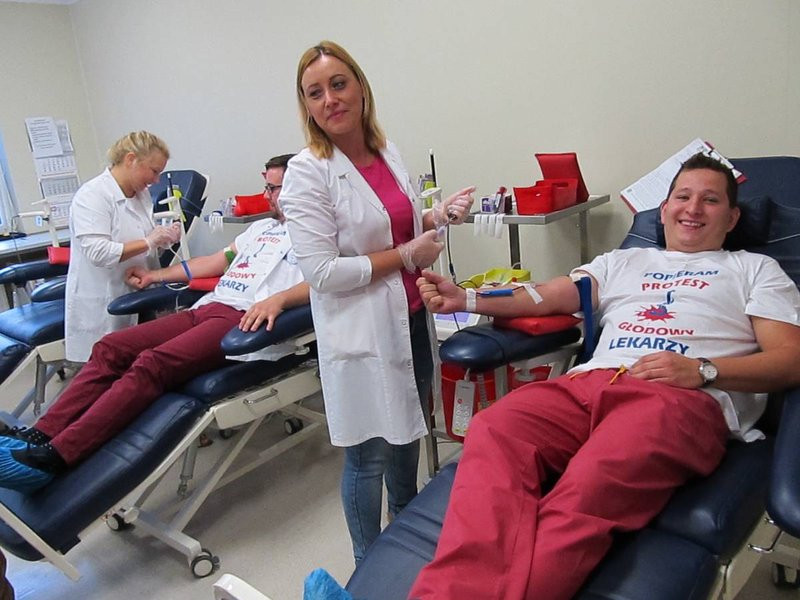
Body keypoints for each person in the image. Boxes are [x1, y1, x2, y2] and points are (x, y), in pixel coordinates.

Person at [404, 153, 800, 599]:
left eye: (710, 200)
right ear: (663, 209)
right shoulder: (623, 262)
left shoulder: (754, 269)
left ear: (731, 218)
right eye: (682, 196)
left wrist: (703, 371)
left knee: (585, 490)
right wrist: (469, 300)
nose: (693, 208)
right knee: (495, 428)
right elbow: (544, 296)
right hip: (586, 385)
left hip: (675, 398)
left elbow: (790, 359)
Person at [0, 154, 309, 494]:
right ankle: (43, 431)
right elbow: (217, 261)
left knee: (151, 364)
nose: (266, 196)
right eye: (266, 186)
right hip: (208, 308)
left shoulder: (319, 234)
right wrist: (155, 275)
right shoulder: (260, 229)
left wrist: (279, 299)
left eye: (273, 188)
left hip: (242, 320)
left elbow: (330, 278)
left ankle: (58, 456)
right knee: (111, 347)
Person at [279, 40, 475, 563]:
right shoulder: (307, 171)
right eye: (315, 93)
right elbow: (321, 272)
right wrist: (407, 256)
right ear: (307, 107)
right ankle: (369, 565)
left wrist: (438, 218)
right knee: (367, 455)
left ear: (361, 88)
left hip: (408, 318)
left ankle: (406, 548)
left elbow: (398, 225)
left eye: (338, 85)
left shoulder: (386, 152)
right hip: (360, 329)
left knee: (408, 430)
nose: (330, 100)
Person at [65, 130, 182, 363]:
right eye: (154, 171)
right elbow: (98, 252)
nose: (156, 180)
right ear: (131, 159)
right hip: (105, 299)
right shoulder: (92, 196)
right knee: (107, 369)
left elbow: (142, 242)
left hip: (140, 293)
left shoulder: (141, 194)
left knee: (144, 364)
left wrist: (163, 239)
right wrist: (149, 241)